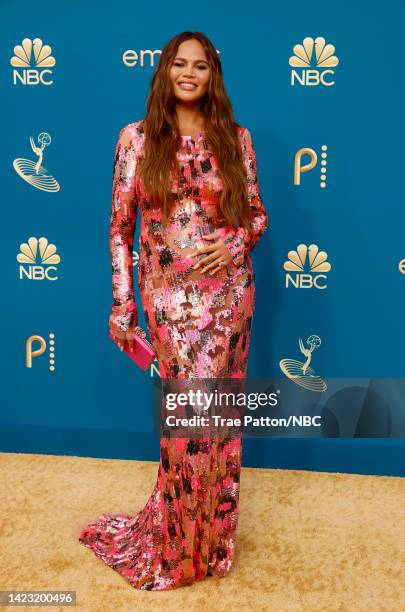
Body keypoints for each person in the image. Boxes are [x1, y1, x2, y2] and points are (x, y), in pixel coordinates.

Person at [78, 30, 269, 591]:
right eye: (179, 64)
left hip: (231, 298)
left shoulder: (236, 138)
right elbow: (119, 228)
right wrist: (122, 305)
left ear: (214, 76)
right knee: (187, 427)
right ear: (164, 71)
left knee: (219, 427)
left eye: (201, 66)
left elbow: (256, 215)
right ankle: (172, 547)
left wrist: (233, 243)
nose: (190, 74)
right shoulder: (135, 140)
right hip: (169, 301)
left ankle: (210, 546)